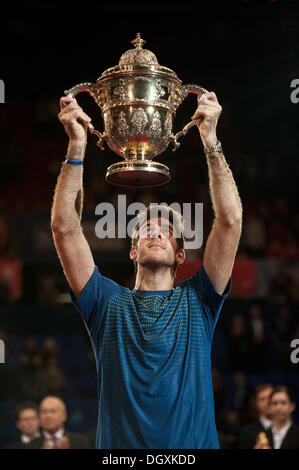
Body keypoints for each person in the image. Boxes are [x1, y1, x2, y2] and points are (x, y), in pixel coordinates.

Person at [51, 91, 242, 449]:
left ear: (181, 255)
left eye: (167, 231)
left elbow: (230, 221)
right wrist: (77, 145)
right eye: (146, 229)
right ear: (133, 251)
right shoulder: (106, 302)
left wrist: (211, 141)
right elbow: (65, 228)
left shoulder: (199, 299)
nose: (156, 230)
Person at [236, 383, 273, 449]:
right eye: (262, 399)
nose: (267, 402)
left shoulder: (291, 430)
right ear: (256, 404)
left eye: (270, 397)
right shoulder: (246, 433)